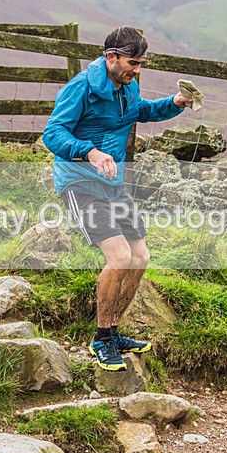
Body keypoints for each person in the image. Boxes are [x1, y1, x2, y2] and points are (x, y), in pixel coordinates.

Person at [42, 26, 193, 371]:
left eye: (141, 64)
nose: (137, 70)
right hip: (80, 183)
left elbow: (140, 111)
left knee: (140, 257)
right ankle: (100, 339)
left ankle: (113, 331)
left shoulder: (128, 85)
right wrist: (89, 152)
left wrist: (175, 104)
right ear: (111, 57)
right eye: (132, 63)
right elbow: (52, 133)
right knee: (121, 257)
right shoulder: (81, 87)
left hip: (113, 183)